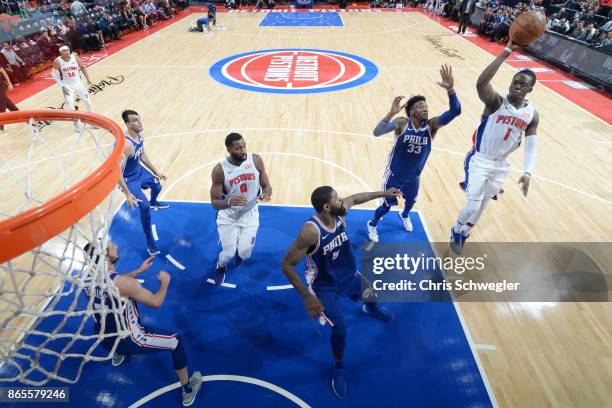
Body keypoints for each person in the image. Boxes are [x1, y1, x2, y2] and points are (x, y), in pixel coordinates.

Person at [281, 186, 399, 399]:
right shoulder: (311, 231)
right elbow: (287, 265)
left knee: (371, 293)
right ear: (327, 206)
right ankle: (339, 366)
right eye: (336, 198)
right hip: (325, 286)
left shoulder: (340, 214)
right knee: (340, 330)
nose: (342, 199)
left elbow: (356, 197)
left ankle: (371, 309)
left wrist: (384, 194)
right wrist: (307, 297)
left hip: (349, 275)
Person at [84, 240, 202, 407]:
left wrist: (139, 271)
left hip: (104, 339)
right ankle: (188, 390)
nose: (116, 246)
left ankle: (117, 352)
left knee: (110, 318)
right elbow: (156, 302)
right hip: (131, 339)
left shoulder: (88, 279)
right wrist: (165, 283)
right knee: (175, 341)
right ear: (106, 256)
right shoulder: (124, 284)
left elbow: (117, 284)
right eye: (112, 246)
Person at [450, 41, 539, 255]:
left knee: (483, 205)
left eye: (522, 84)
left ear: (530, 89)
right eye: (514, 81)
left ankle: (465, 233)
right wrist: (506, 51)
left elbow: (531, 146)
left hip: (501, 165)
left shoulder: (532, 114)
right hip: (480, 159)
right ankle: (455, 230)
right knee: (472, 205)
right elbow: (481, 83)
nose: (517, 85)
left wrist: (528, 172)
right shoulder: (496, 101)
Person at [366, 65, 461, 243]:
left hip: (414, 176)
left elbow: (455, 111)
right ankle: (372, 224)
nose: (425, 109)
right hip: (394, 175)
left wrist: (451, 89)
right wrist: (390, 113)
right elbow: (377, 132)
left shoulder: (432, 126)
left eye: (426, 106)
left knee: (411, 201)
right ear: (411, 112)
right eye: (420, 106)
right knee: (387, 205)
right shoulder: (402, 123)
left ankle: (405, 215)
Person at [209, 133, 272, 284]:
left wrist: (266, 194)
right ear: (229, 149)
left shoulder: (255, 160)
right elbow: (215, 202)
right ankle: (221, 266)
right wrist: (231, 201)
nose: (243, 150)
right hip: (228, 215)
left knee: (245, 254)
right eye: (238, 148)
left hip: (250, 213)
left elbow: (266, 186)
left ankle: (241, 252)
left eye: (244, 146)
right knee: (228, 254)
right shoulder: (220, 170)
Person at [118, 110, 170, 256]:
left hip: (138, 171)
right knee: (144, 207)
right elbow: (116, 172)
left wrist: (156, 171)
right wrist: (127, 193)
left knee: (157, 185)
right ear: (127, 124)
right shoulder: (125, 145)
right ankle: (150, 242)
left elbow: (142, 154)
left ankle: (154, 201)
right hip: (128, 178)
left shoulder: (139, 134)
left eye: (139, 119)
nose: (139, 122)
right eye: (134, 120)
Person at [51, 45, 93, 132]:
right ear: (60, 53)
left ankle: (91, 122)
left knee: (88, 102)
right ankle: (77, 125)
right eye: (64, 51)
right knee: (71, 106)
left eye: (67, 50)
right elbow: (55, 75)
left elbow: (82, 67)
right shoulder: (57, 61)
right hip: (67, 86)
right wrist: (62, 86)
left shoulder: (75, 58)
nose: (66, 52)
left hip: (79, 84)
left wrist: (88, 79)